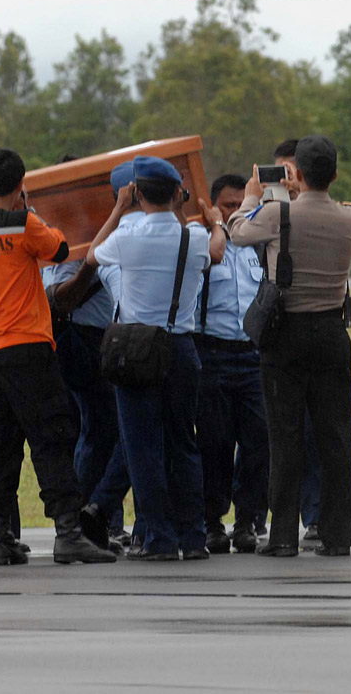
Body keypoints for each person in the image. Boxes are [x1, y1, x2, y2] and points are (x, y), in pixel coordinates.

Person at [0, 148, 114, 566]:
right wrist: (33, 214)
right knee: (52, 440)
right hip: (28, 347)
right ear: (21, 186)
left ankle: (0, 537)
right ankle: (68, 532)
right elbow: (59, 249)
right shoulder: (25, 224)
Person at [229, 135, 351, 557]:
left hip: (285, 334)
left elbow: (236, 234)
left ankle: (283, 535)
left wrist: (252, 198)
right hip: (331, 332)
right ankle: (337, 534)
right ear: (335, 175)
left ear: (296, 174)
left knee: (284, 437)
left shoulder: (274, 214)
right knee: (336, 438)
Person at [87, 156, 222, 560]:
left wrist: (116, 209)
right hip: (180, 348)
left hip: (137, 350)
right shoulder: (195, 237)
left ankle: (159, 538)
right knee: (184, 445)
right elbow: (217, 250)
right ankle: (194, 538)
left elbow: (93, 255)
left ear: (137, 193)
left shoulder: (127, 237)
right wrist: (216, 222)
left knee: (142, 448)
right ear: (178, 193)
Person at [46, 160, 137, 553]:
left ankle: (99, 522)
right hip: (82, 338)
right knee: (100, 430)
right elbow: (59, 297)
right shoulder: (71, 235)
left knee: (114, 431)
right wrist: (96, 258)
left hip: (114, 336)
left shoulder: (126, 231)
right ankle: (81, 523)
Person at [195, 173, 270, 555]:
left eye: (245, 204)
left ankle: (247, 522)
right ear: (212, 207)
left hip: (253, 355)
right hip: (213, 354)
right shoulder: (205, 245)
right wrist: (216, 227)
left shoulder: (260, 247)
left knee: (259, 442)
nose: (237, 211)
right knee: (215, 443)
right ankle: (212, 522)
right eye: (228, 205)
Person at [270, 138, 322, 547]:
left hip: (300, 327)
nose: (287, 180)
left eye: (292, 171)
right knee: (284, 433)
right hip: (280, 326)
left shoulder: (316, 212)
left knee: (313, 431)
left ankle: (312, 517)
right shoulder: (269, 213)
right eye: (279, 172)